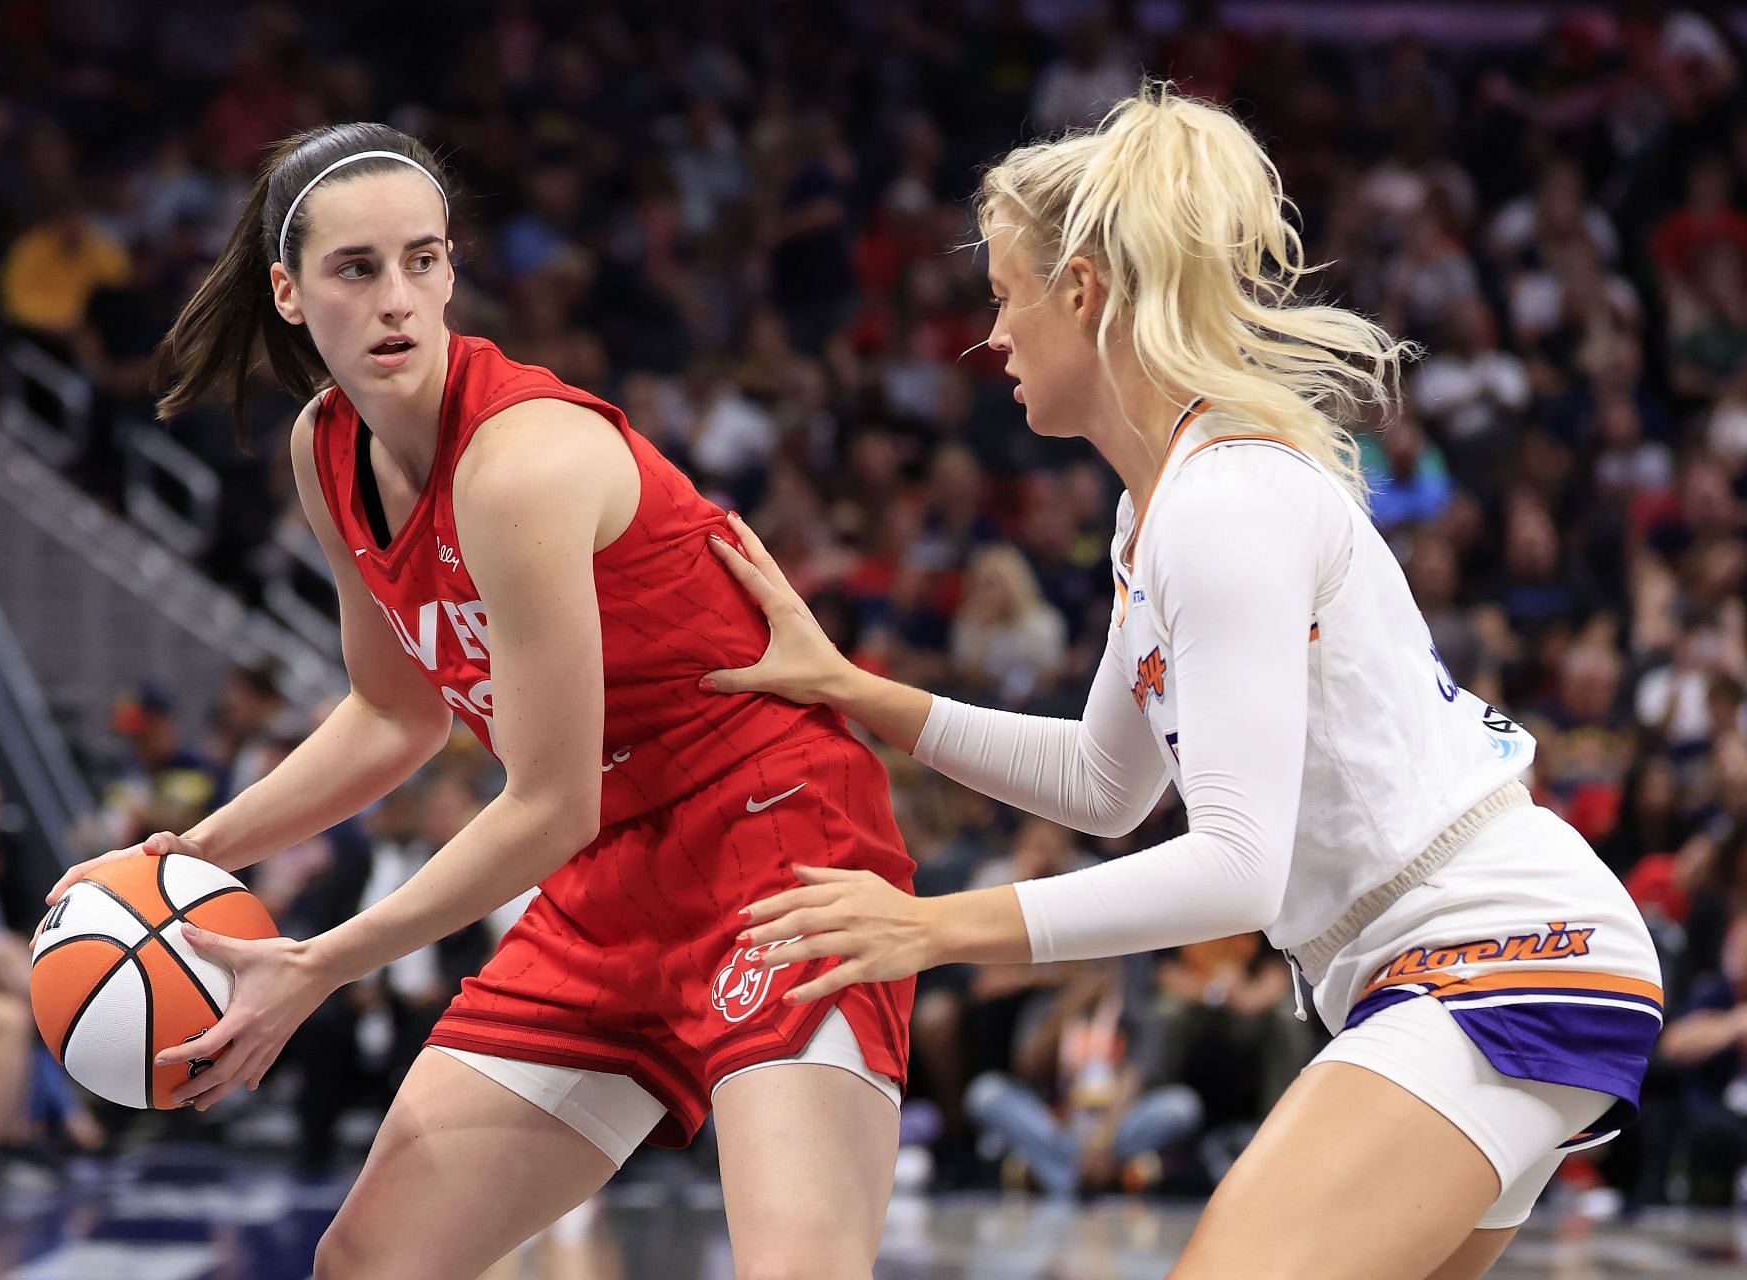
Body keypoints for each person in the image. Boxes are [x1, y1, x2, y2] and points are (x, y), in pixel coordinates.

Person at [701, 83, 1662, 1280]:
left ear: (1085, 291)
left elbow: (1235, 863)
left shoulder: (1221, 503)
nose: (989, 337)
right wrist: (858, 690)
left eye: (1005, 296)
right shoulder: (1154, 508)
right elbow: (1105, 783)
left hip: (1491, 954)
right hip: (1442, 965)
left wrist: (935, 926)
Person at [43, 121, 914, 1280]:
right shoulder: (326, 447)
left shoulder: (520, 464)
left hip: (778, 847)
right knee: (371, 1261)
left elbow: (546, 803)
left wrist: (320, 959)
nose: (399, 298)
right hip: (614, 874)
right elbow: (395, 713)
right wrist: (193, 850)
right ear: (289, 294)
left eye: (425, 259)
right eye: (358, 269)